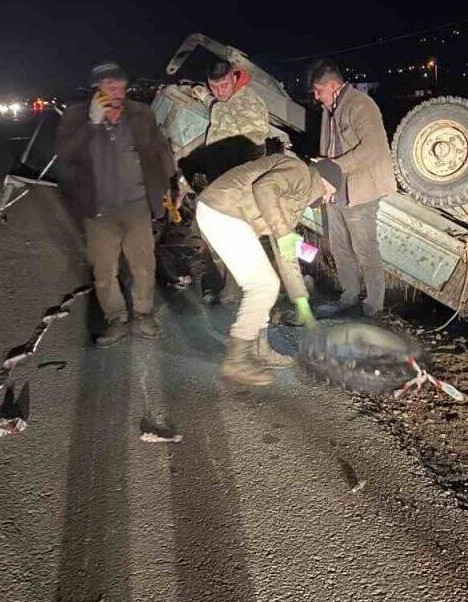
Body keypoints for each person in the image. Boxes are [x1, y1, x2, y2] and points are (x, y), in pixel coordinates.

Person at [55, 61, 179, 347]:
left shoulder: (141, 113)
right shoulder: (76, 116)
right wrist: (91, 123)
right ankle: (116, 319)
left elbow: (160, 151)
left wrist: (172, 183)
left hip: (136, 204)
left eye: (122, 87)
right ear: (96, 88)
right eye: (111, 87)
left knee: (143, 264)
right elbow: (65, 155)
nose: (119, 92)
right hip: (98, 209)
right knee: (104, 270)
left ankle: (144, 314)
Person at [195, 153, 342, 385]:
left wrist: (300, 300)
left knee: (265, 283)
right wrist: (283, 234)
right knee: (264, 285)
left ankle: (259, 349)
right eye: (333, 193)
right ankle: (236, 359)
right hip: (224, 211)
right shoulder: (300, 172)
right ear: (326, 182)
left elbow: (286, 251)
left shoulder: (296, 200)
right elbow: (265, 188)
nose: (329, 200)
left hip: (222, 213)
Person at [309, 59, 396, 317]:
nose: (316, 97)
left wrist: (333, 167)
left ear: (333, 86)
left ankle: (373, 305)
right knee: (339, 248)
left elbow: (374, 148)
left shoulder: (361, 105)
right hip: (336, 192)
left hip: (360, 192)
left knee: (365, 249)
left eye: (318, 90)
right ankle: (349, 296)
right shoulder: (329, 110)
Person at [204, 59, 270, 148]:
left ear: (234, 79)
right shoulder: (230, 98)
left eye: (224, 85)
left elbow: (256, 145)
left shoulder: (245, 103)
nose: (219, 92)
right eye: (213, 87)